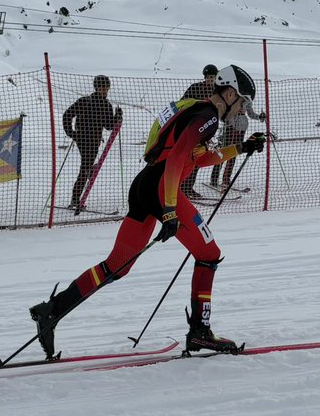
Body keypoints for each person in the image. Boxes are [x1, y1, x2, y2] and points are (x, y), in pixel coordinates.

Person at [29, 65, 266, 358]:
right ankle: (200, 333)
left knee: (117, 265)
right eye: (243, 103)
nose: (242, 110)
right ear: (229, 94)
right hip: (162, 190)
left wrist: (241, 148)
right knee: (208, 255)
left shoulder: (196, 110)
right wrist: (168, 210)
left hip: (145, 184)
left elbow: (197, 158)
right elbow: (178, 159)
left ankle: (52, 310)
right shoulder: (208, 119)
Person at [63, 75, 122, 211]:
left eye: (106, 88)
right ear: (96, 88)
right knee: (85, 166)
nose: (105, 91)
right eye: (102, 88)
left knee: (86, 164)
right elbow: (67, 115)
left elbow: (108, 125)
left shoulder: (106, 105)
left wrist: (117, 116)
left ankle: (89, 172)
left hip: (95, 141)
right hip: (83, 139)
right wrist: (71, 133)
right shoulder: (84, 101)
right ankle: (76, 198)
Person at [178, 64, 217, 198]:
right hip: (191, 128)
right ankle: (181, 187)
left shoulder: (217, 92)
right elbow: (182, 102)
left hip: (206, 130)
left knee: (197, 159)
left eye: (213, 77)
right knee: (187, 158)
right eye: (208, 77)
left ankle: (188, 187)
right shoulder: (195, 88)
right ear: (204, 77)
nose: (210, 80)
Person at [210, 97, 265, 191]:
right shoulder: (232, 97)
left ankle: (226, 179)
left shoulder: (247, 100)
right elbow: (223, 112)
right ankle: (214, 178)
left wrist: (260, 117)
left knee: (235, 152)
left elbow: (251, 114)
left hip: (242, 126)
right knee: (224, 151)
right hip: (231, 125)